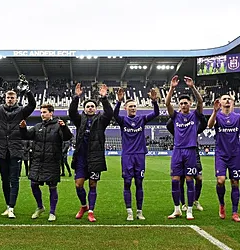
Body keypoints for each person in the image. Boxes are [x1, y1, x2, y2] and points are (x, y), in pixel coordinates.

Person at [0, 78, 36, 219]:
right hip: (1, 150)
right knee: (4, 179)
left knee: (14, 180)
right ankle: (8, 205)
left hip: (15, 150)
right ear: (5, 98)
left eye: (12, 97)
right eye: (8, 97)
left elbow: (32, 105)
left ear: (16, 99)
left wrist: (27, 91)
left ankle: (12, 207)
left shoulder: (21, 111)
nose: (10, 99)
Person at [208, 95, 240, 222]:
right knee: (220, 181)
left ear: (232, 102)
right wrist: (214, 111)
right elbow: (210, 125)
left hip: (235, 155)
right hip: (221, 154)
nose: (227, 100)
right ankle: (222, 204)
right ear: (220, 102)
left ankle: (235, 212)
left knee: (235, 183)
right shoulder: (218, 116)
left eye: (229, 99)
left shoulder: (238, 117)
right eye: (224, 99)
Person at [20, 104, 73, 221]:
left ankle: (52, 212)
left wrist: (64, 127)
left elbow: (67, 137)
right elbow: (26, 136)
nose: (42, 115)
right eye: (41, 112)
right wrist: (23, 128)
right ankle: (40, 207)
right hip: (37, 161)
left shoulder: (58, 126)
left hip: (52, 161)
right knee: (33, 184)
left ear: (51, 113)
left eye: (44, 112)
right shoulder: (37, 126)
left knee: (52, 187)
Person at [69, 83, 113, 222]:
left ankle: (91, 211)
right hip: (81, 156)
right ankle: (83, 206)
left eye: (92, 106)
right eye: (87, 106)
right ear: (84, 109)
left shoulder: (101, 120)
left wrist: (104, 98)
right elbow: (71, 112)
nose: (90, 108)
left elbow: (110, 113)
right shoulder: (79, 120)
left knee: (93, 184)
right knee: (78, 185)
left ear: (95, 108)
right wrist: (76, 97)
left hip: (95, 157)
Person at [113, 87, 159, 221]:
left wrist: (154, 101)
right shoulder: (123, 121)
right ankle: (129, 212)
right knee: (127, 182)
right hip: (127, 155)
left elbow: (156, 113)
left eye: (134, 106)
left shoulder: (142, 119)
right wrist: (118, 101)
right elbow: (115, 115)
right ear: (126, 108)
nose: (133, 108)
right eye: (130, 106)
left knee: (139, 182)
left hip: (140, 155)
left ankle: (139, 211)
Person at [164, 75, 204, 220]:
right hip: (177, 150)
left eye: (186, 103)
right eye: (181, 103)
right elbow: (167, 103)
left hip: (191, 150)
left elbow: (200, 101)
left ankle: (190, 210)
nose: (183, 105)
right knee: (175, 180)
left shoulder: (195, 115)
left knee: (189, 180)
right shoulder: (175, 116)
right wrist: (171, 88)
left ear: (190, 104)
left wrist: (192, 87)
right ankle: (177, 209)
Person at [166, 113, 206, 212]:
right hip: (180, 151)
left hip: (193, 152)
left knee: (199, 178)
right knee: (181, 179)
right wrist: (176, 116)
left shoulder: (193, 126)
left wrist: (201, 115)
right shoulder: (177, 128)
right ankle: (183, 203)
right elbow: (168, 125)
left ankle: (195, 200)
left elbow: (204, 124)